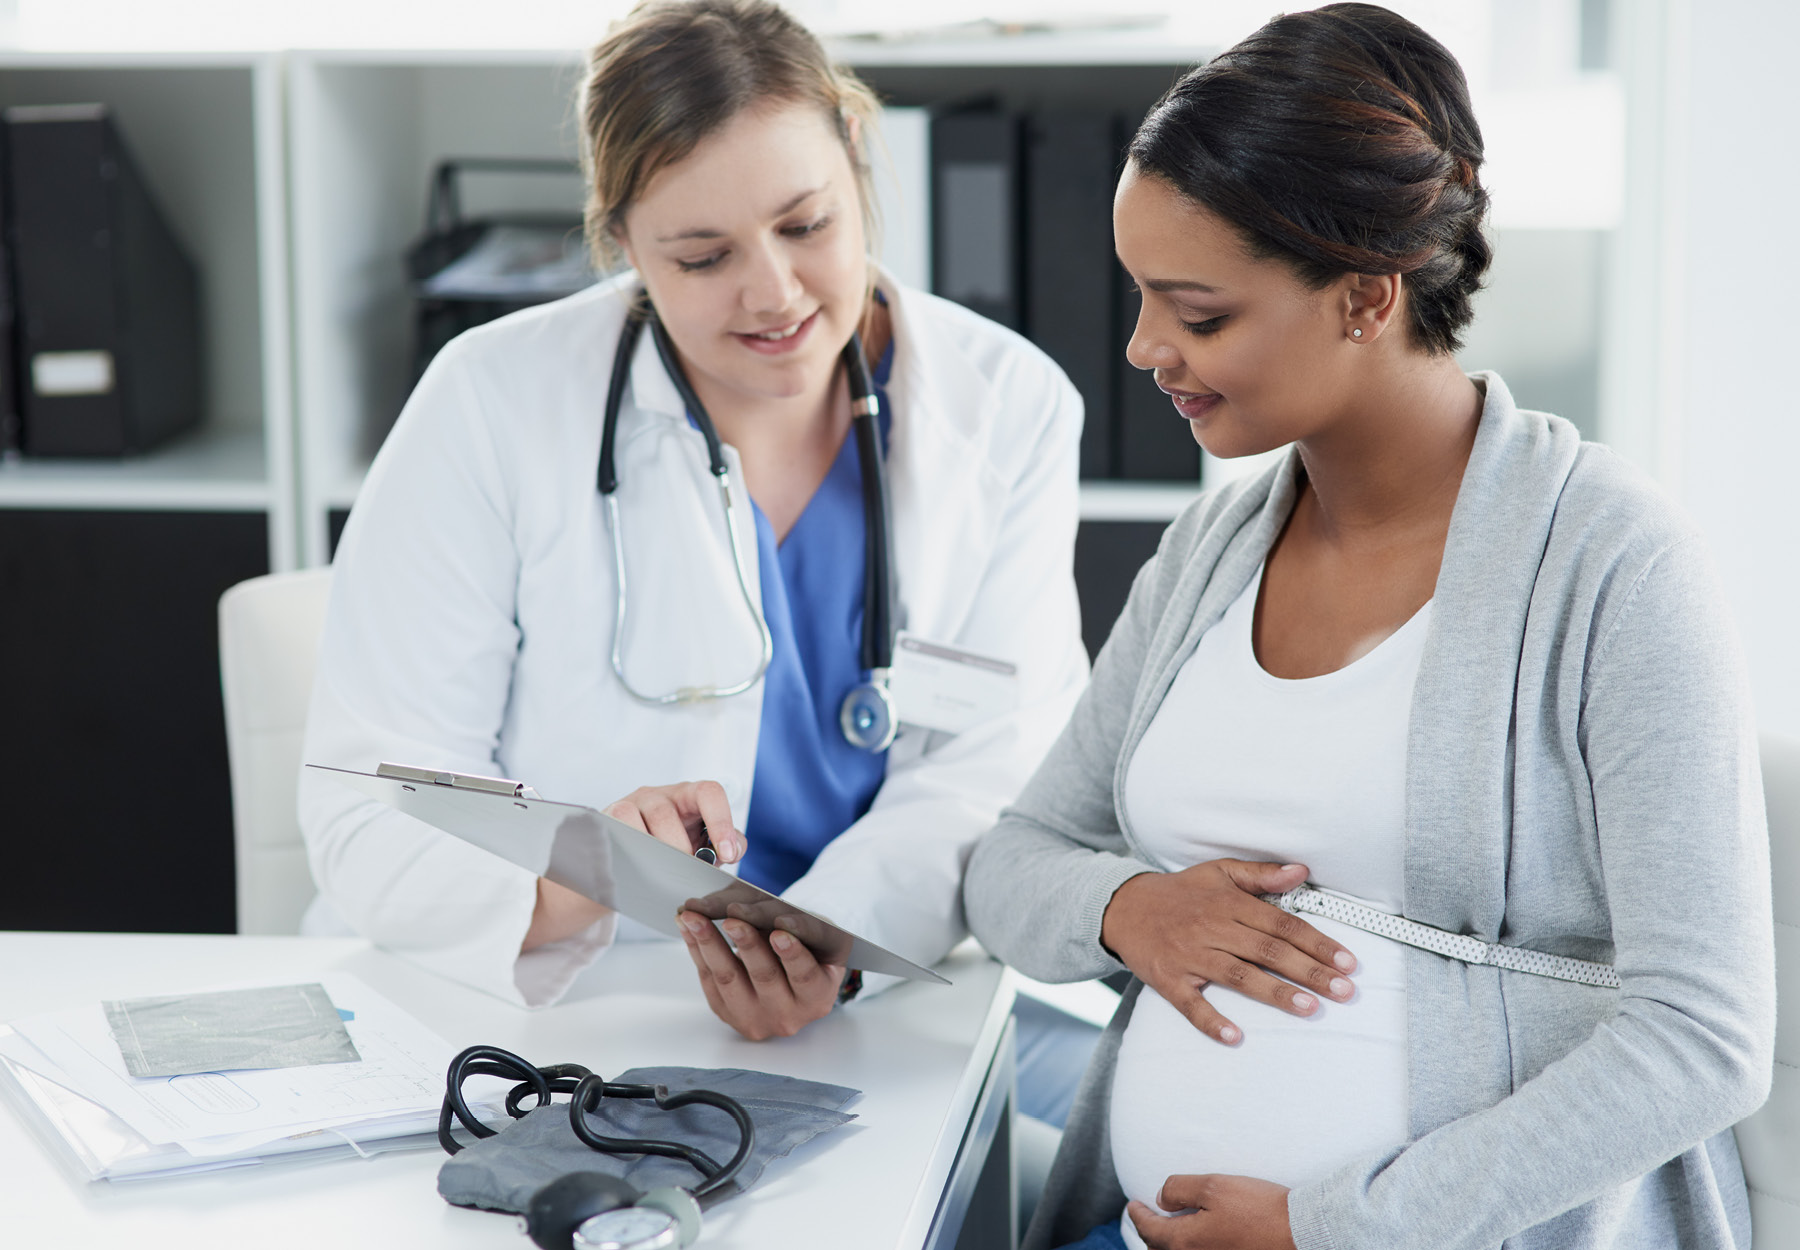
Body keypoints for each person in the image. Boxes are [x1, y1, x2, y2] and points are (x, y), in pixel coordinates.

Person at [961, 6, 1774, 1250]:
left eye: (1200, 312)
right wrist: (1130, 906)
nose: (1145, 348)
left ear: (1365, 296)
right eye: (1141, 297)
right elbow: (1013, 863)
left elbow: (1704, 1036)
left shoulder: (1616, 563)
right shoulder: (1209, 555)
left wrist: (1335, 1223)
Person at [297, 0, 1089, 1056]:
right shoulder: (491, 400)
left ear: (859, 156)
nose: (776, 293)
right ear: (622, 238)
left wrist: (823, 941)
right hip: (543, 1012)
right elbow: (371, 800)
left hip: (878, 992)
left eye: (806, 225)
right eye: (702, 256)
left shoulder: (1007, 404)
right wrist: (588, 870)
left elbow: (1005, 768)